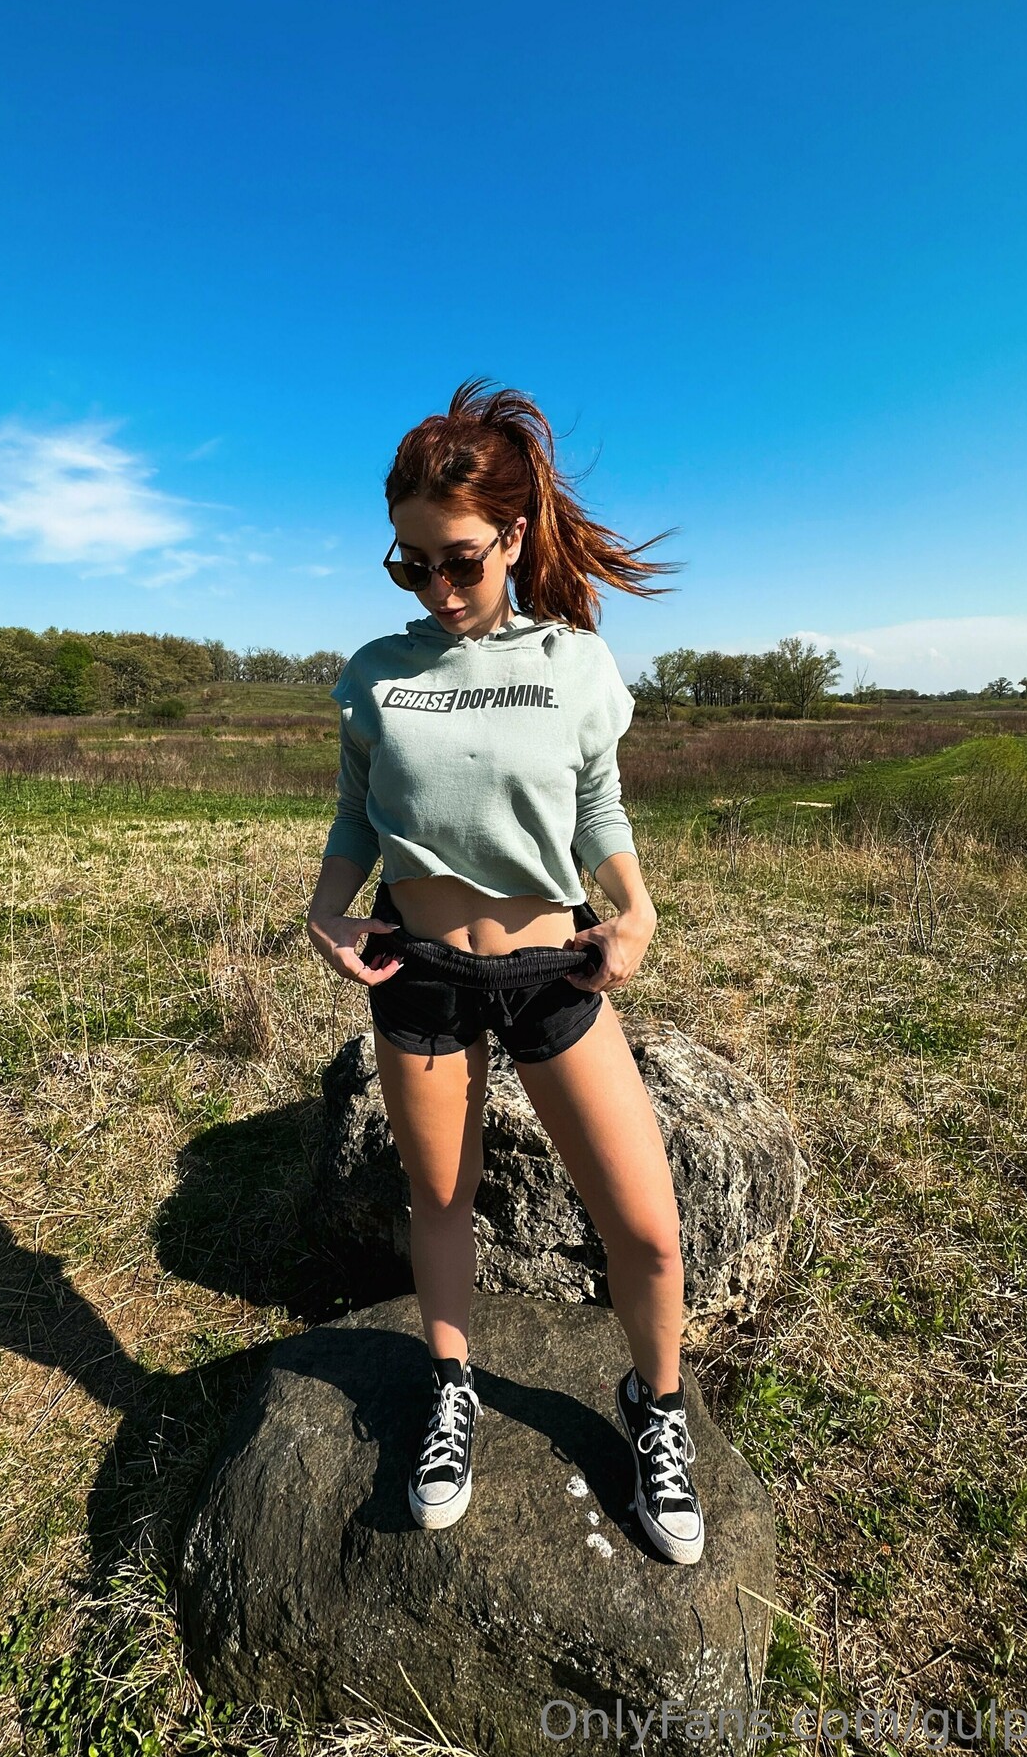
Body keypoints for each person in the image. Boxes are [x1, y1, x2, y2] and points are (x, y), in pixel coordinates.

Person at [305, 380, 704, 1565]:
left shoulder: (575, 663)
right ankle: (451, 1384)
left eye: (460, 560)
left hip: (549, 973)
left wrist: (635, 911)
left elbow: (599, 809)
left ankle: (657, 1408)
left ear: (515, 538)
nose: (436, 586)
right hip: (420, 972)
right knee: (439, 1202)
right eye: (410, 563)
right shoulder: (375, 674)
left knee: (648, 1231)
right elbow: (356, 817)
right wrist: (326, 909)